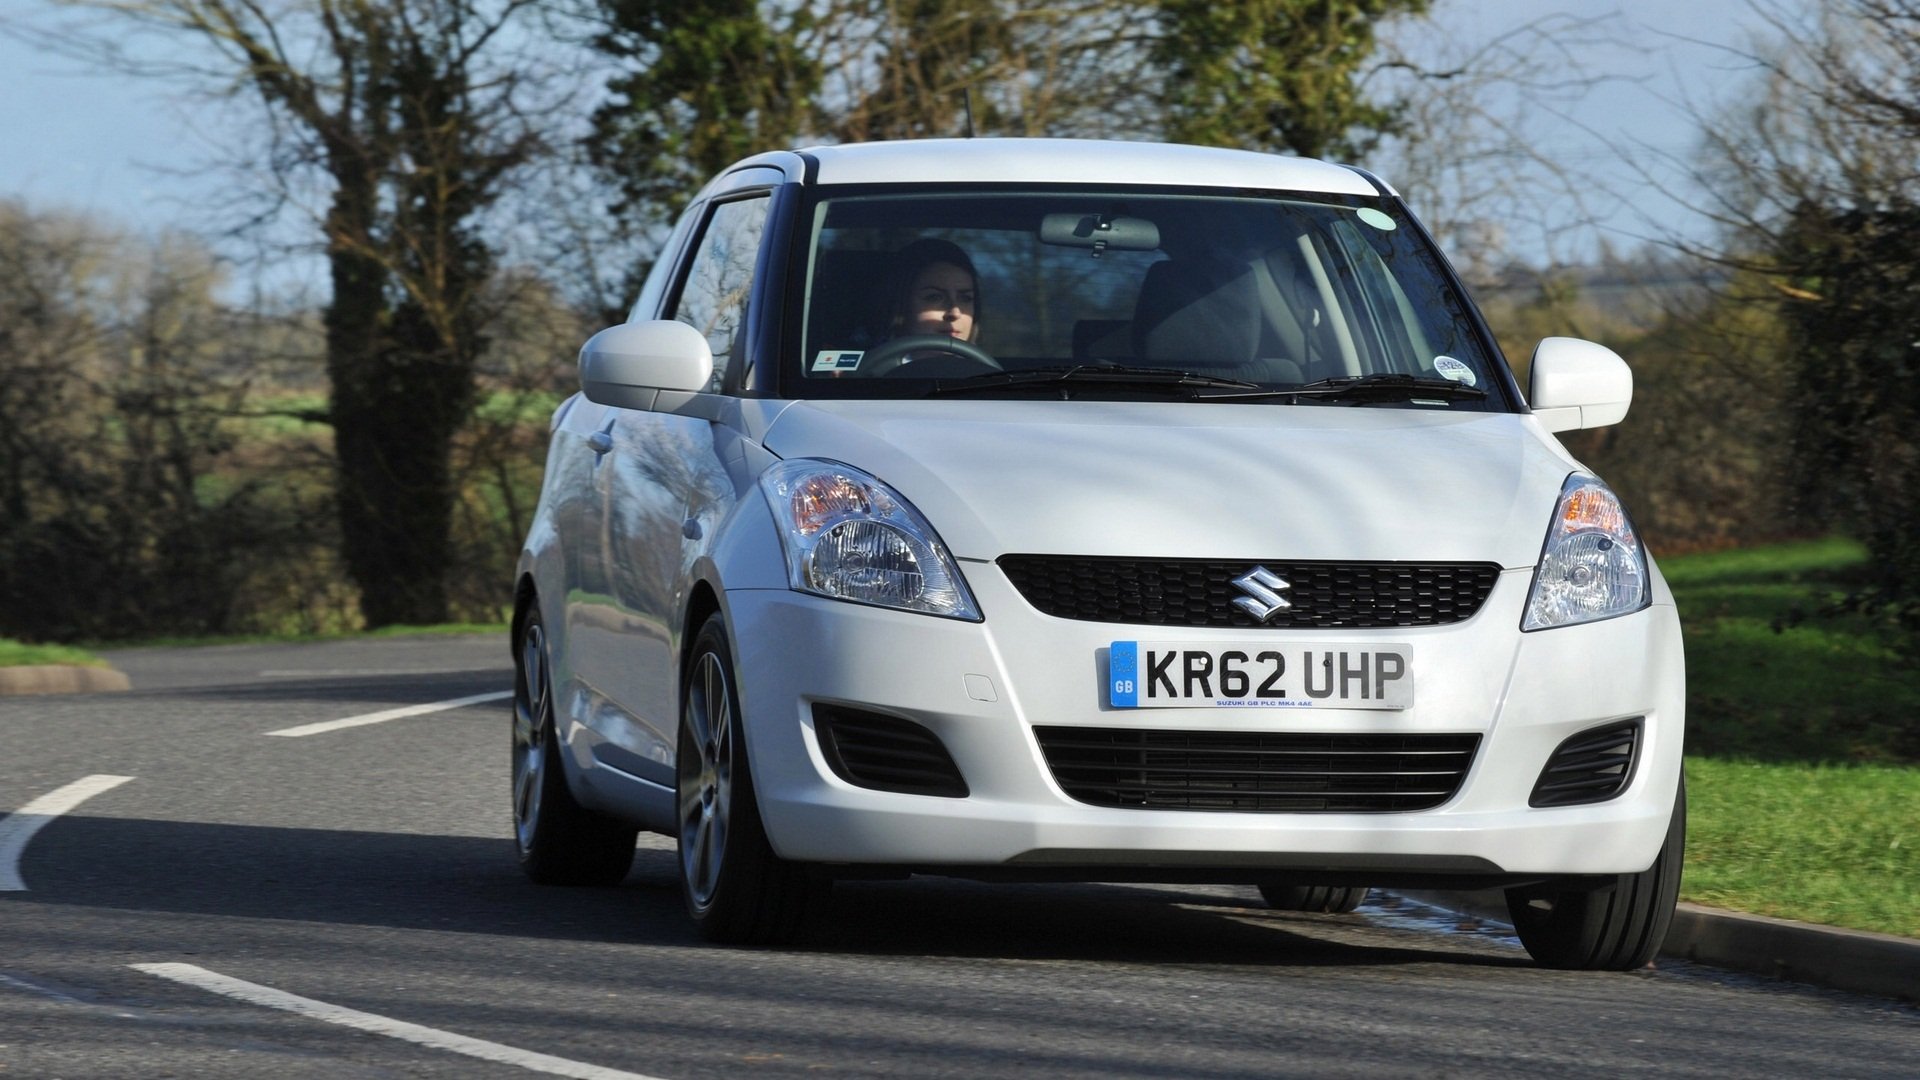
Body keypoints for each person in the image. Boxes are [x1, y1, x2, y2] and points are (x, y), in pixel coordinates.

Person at [883, 238, 981, 345]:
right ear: (901, 306)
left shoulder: (987, 362)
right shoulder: (870, 361)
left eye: (965, 298)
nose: (955, 313)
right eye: (934, 297)